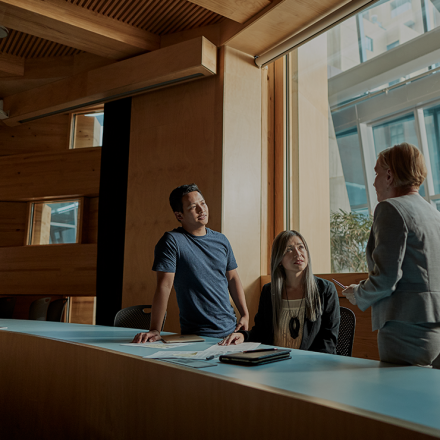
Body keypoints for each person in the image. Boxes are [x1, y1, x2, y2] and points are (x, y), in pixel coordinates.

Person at [342, 142, 440, 368]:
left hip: (405, 328)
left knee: (404, 400)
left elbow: (386, 279)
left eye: (376, 173)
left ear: (389, 175)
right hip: (435, 327)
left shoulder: (391, 208)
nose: (374, 182)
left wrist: (359, 293)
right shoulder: (434, 214)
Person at [132, 183, 249, 342]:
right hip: (196, 335)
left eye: (203, 203)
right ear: (179, 215)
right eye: (193, 207)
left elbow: (233, 278)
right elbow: (164, 287)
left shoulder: (221, 240)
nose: (202, 209)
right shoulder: (172, 241)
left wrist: (245, 314)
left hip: (231, 331)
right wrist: (155, 329)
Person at [220, 230, 340, 353]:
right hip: (274, 362)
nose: (298, 253)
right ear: (279, 260)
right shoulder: (269, 291)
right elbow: (260, 332)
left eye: (301, 247)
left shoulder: (326, 290)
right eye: (289, 249)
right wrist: (244, 336)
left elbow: (328, 341)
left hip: (310, 366)